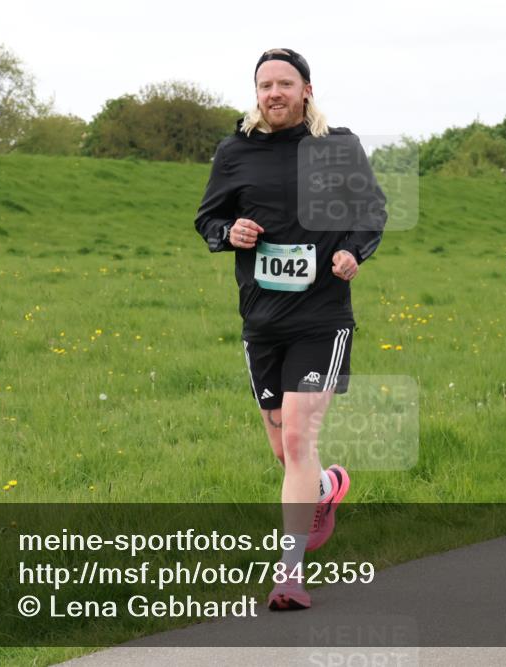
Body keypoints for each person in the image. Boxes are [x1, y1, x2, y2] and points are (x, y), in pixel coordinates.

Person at [195, 48, 386, 608]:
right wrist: (230, 232)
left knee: (301, 438)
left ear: (306, 89)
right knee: (284, 448)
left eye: (284, 83)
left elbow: (371, 210)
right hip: (261, 319)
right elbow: (207, 217)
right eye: (264, 85)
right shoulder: (234, 151)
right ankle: (327, 487)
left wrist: (353, 252)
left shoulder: (337, 147)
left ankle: (289, 576)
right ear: (255, 93)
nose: (273, 93)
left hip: (321, 316)